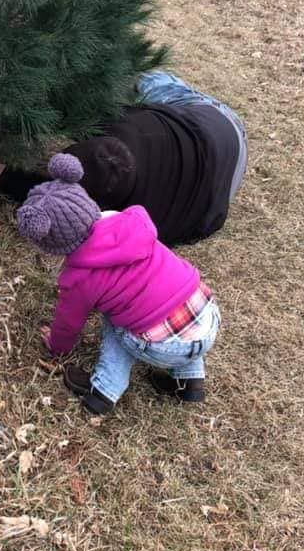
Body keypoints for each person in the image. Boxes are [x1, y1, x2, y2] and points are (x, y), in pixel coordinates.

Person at [17, 153, 221, 414]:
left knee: (117, 321)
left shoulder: (79, 277)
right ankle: (190, 379)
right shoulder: (127, 220)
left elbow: (69, 322)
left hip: (163, 345)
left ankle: (103, 391)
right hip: (205, 313)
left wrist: (57, 346)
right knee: (166, 300)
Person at [0, 71, 247, 247]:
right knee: (144, 80)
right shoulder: (124, 123)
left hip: (223, 127)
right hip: (220, 142)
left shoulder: (124, 228)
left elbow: (49, 199)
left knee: (148, 79)